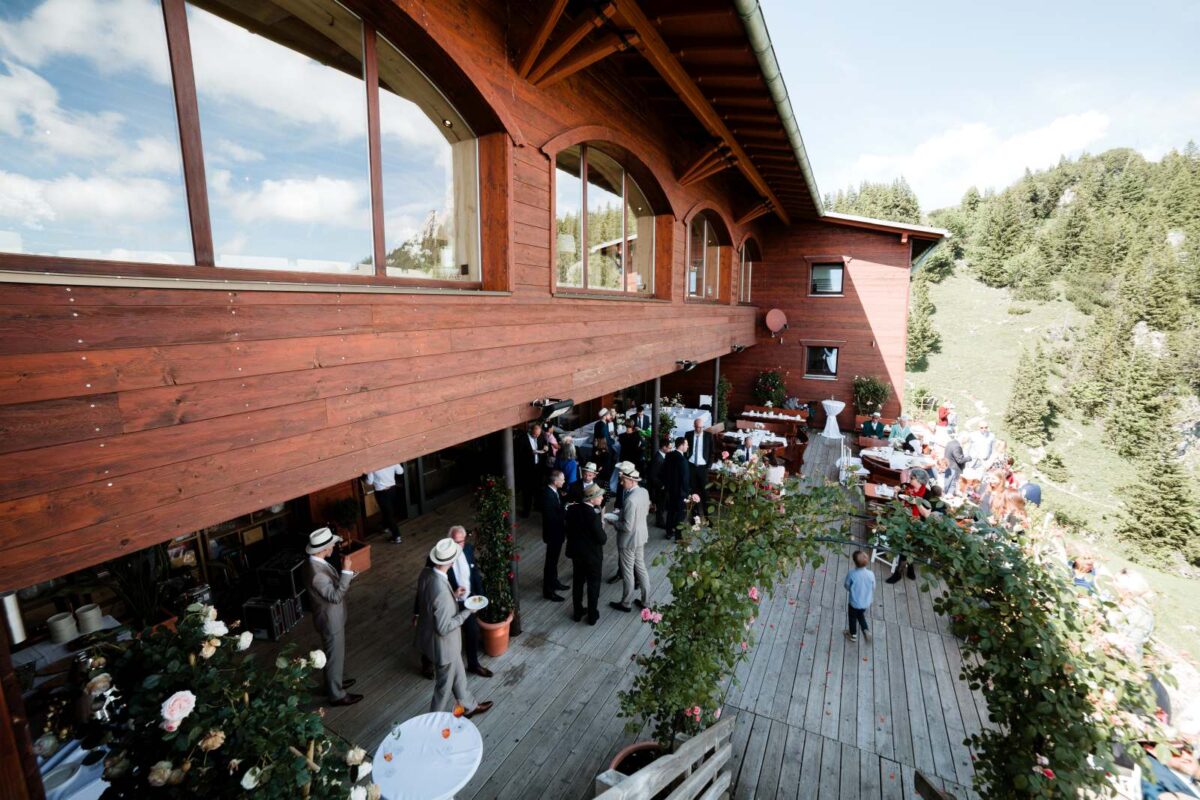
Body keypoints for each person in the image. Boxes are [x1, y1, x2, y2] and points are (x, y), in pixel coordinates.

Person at [414, 538, 493, 718]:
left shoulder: (427, 573)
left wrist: (454, 595)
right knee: (443, 690)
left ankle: (469, 707)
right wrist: (468, 611)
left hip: (443, 643)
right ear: (449, 562)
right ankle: (433, 723)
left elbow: (430, 603)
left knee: (459, 677)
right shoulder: (440, 590)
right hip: (444, 646)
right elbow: (444, 627)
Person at [304, 527, 362, 706]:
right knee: (334, 656)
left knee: (334, 655)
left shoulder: (315, 564)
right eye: (331, 545)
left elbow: (331, 588)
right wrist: (346, 572)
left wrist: (347, 576)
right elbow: (335, 597)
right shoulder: (317, 574)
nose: (334, 547)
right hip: (330, 621)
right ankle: (336, 694)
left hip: (330, 618)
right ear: (323, 549)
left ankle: (333, 682)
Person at [610, 462, 650, 613]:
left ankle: (625, 602)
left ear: (632, 481)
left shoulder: (630, 500)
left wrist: (614, 522)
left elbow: (626, 527)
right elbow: (643, 513)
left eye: (623, 480)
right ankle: (646, 601)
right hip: (641, 536)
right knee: (641, 568)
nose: (621, 483)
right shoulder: (644, 492)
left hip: (628, 540)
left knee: (628, 572)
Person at [565, 483, 607, 624]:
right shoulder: (593, 517)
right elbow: (602, 539)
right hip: (592, 557)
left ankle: (577, 612)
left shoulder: (572, 510)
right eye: (599, 496)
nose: (602, 497)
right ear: (591, 499)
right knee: (593, 585)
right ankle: (592, 615)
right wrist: (601, 526)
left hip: (577, 554)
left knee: (578, 583)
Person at [886, 471, 928, 584]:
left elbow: (927, 514)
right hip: (902, 519)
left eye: (912, 478)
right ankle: (908, 569)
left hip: (916, 523)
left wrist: (916, 503)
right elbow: (897, 501)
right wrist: (895, 493)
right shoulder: (907, 487)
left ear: (919, 480)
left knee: (908, 547)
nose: (909, 479)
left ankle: (899, 573)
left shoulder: (927, 493)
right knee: (905, 547)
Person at [542, 470, 569, 601]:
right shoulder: (548, 495)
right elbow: (552, 517)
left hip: (557, 533)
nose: (564, 481)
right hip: (553, 534)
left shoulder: (554, 491)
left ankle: (554, 581)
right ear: (555, 481)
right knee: (550, 562)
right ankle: (548, 591)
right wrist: (565, 509)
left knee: (554, 560)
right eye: (562, 479)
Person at [515, 422, 549, 517]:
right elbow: (518, 455)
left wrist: (545, 448)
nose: (536, 436)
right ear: (530, 431)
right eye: (535, 434)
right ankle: (526, 511)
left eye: (538, 434)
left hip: (538, 467)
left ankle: (537, 506)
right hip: (527, 469)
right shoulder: (522, 439)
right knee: (527, 491)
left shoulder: (540, 436)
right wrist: (531, 453)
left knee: (538, 488)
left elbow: (544, 445)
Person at [365, 463, 405, 544]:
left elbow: (369, 482)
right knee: (388, 511)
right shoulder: (392, 460)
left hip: (381, 493)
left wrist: (364, 477)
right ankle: (386, 526)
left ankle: (397, 536)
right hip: (392, 490)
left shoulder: (372, 465)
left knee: (388, 513)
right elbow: (400, 471)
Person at [661, 437, 691, 539]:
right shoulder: (683, 460)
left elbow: (664, 472)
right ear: (681, 445)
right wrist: (687, 493)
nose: (688, 446)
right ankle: (678, 536)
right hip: (680, 492)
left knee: (671, 511)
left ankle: (669, 532)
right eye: (686, 444)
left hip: (670, 490)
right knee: (680, 514)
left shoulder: (669, 456)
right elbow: (685, 478)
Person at [684, 417, 715, 517]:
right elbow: (685, 450)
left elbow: (712, 452)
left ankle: (707, 516)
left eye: (701, 427)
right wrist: (686, 462)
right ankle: (694, 515)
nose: (699, 429)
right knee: (692, 491)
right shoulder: (688, 434)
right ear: (694, 426)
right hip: (691, 465)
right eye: (697, 427)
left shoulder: (708, 436)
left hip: (703, 467)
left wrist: (708, 466)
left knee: (705, 492)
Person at [843, 550, 875, 643]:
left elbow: (846, 585)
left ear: (854, 561)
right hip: (866, 602)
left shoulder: (852, 574)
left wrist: (851, 590)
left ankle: (853, 635)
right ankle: (865, 629)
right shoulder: (871, 574)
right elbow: (873, 587)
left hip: (854, 602)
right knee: (860, 615)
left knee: (852, 617)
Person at [647, 438, 671, 528]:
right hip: (659, 487)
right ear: (664, 447)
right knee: (660, 505)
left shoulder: (661, 456)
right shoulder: (657, 459)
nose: (670, 450)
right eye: (669, 448)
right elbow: (652, 475)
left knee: (662, 505)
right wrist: (661, 486)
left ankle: (660, 521)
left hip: (661, 486)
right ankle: (660, 522)